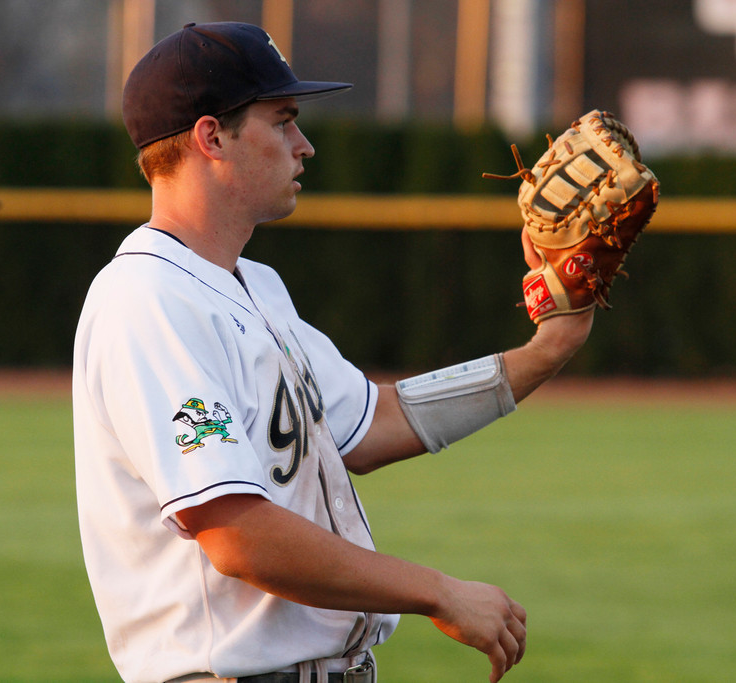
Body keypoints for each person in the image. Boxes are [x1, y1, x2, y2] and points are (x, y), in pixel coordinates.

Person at [72, 22, 593, 683]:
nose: (304, 144)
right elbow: (238, 535)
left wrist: (549, 347)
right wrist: (436, 589)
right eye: (283, 120)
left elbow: (374, 420)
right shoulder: (147, 299)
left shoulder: (254, 285)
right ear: (211, 137)